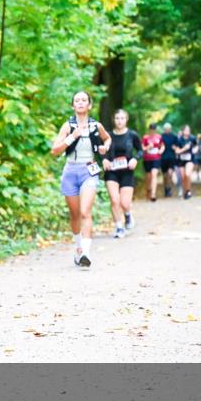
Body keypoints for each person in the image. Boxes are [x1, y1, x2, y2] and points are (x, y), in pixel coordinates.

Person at [50, 91, 111, 268]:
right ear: (73, 106)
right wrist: (73, 136)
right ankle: (78, 248)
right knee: (75, 215)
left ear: (89, 105)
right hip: (70, 171)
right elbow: (55, 151)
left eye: (84, 100)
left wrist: (104, 148)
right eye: (77, 100)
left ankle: (85, 252)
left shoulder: (95, 126)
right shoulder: (67, 126)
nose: (81, 103)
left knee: (85, 212)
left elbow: (108, 139)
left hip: (88, 171)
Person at [102, 109, 142, 238]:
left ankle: (128, 215)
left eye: (122, 118)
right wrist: (104, 160)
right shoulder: (107, 136)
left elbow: (140, 150)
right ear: (114, 120)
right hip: (111, 171)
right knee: (114, 200)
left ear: (126, 119)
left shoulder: (132, 135)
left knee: (125, 203)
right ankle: (119, 227)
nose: (119, 121)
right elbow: (101, 150)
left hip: (127, 172)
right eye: (117, 118)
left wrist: (135, 159)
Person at [141, 122, 164, 202]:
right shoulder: (145, 138)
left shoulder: (159, 137)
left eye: (154, 130)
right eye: (151, 130)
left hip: (156, 158)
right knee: (148, 177)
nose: (152, 131)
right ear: (149, 130)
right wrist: (148, 147)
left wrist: (161, 150)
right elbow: (142, 148)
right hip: (147, 159)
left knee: (154, 175)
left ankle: (153, 194)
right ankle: (148, 189)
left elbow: (162, 145)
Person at [174, 124, 197, 199]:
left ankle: (189, 191)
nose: (187, 131)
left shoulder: (192, 138)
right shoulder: (179, 139)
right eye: (186, 130)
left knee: (187, 174)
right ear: (183, 131)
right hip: (181, 161)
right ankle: (185, 191)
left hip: (190, 159)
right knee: (183, 177)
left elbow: (196, 146)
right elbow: (177, 151)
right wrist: (184, 149)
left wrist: (195, 150)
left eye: (189, 130)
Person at [160, 122, 178, 197]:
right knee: (164, 175)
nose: (167, 130)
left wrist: (175, 148)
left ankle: (169, 189)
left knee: (170, 174)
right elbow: (158, 146)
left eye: (168, 129)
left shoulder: (174, 137)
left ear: (170, 129)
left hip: (171, 157)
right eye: (166, 129)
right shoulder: (161, 137)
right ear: (164, 129)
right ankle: (166, 189)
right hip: (163, 158)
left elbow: (177, 146)